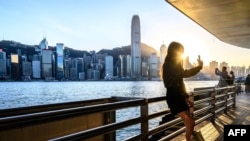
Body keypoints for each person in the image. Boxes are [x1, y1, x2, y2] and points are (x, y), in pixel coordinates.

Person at [162, 41, 203, 141]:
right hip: (174, 97)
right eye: (180, 51)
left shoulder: (175, 64)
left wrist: (187, 98)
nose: (181, 54)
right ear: (174, 51)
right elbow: (185, 73)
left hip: (179, 96)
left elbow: (180, 83)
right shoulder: (169, 64)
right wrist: (199, 67)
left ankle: (189, 139)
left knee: (190, 123)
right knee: (190, 122)